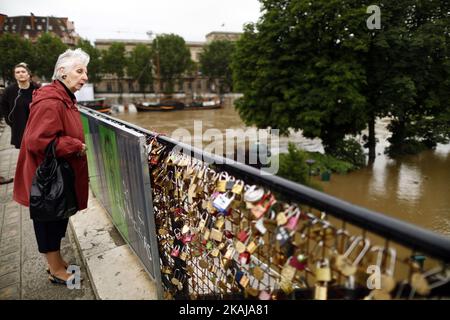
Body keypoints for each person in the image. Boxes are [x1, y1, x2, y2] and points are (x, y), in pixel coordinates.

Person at [13, 48, 89, 285]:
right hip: (46, 176)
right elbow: (38, 140)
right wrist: (74, 144)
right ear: (62, 73)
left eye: (85, 71)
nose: (85, 77)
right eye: (79, 71)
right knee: (49, 218)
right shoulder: (51, 101)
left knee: (58, 216)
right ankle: (55, 269)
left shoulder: (62, 96)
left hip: (54, 172)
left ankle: (57, 261)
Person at [0, 62, 40, 149]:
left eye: (23, 71)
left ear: (28, 74)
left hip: (36, 127)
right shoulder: (9, 91)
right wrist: (9, 121)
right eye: (17, 72)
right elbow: (3, 106)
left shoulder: (36, 89)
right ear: (14, 76)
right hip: (19, 128)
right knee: (25, 154)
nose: (20, 74)